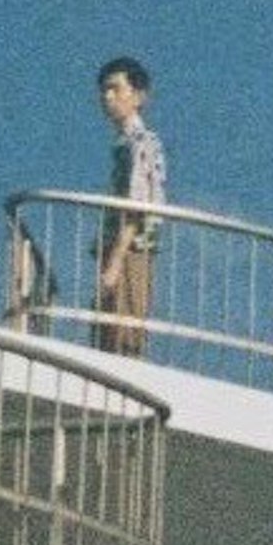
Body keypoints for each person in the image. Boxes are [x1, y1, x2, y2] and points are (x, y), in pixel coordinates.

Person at [94, 54, 166, 356]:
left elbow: (136, 208)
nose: (107, 97)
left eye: (115, 88)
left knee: (122, 338)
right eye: (104, 90)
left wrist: (113, 264)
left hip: (131, 250)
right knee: (109, 333)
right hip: (123, 248)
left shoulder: (139, 141)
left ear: (137, 96)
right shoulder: (125, 142)